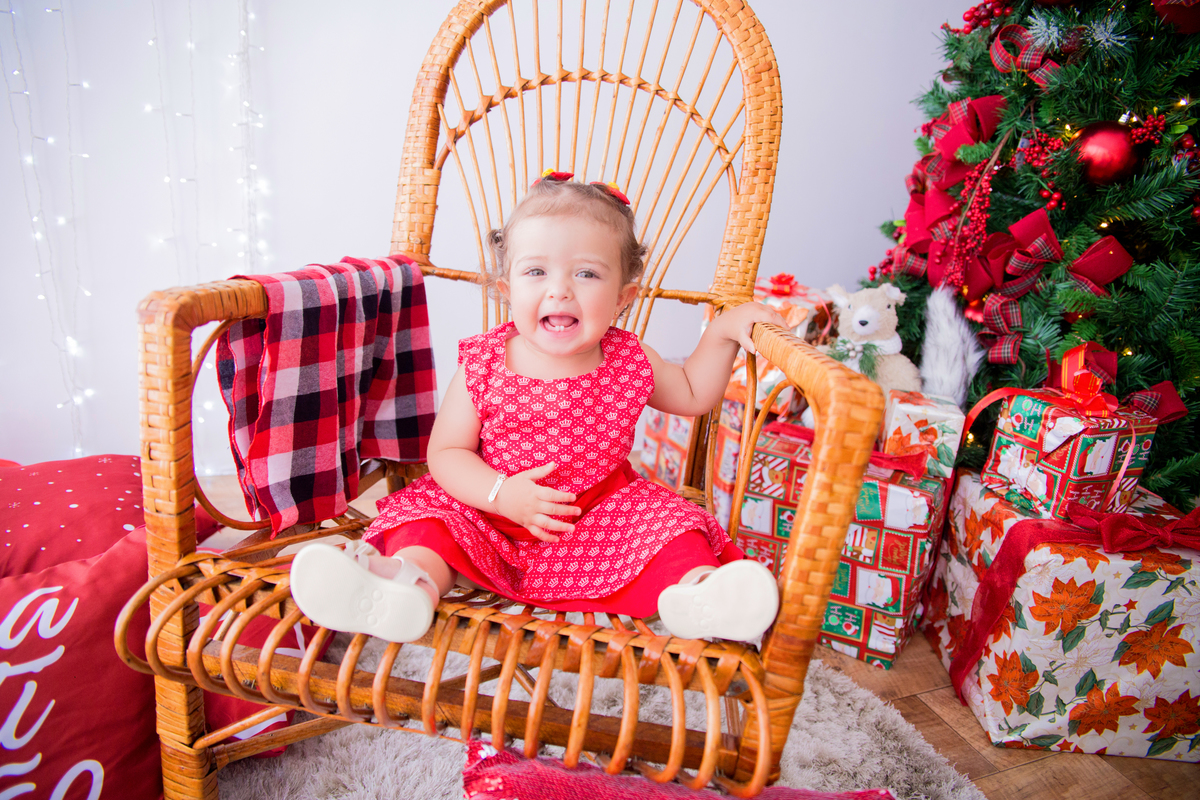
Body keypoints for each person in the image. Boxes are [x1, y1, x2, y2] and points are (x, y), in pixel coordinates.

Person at [291, 172, 785, 644]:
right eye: (536, 271)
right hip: (484, 512)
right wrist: (500, 494)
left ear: (623, 298)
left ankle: (700, 593)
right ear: (507, 291)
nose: (560, 289)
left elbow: (695, 394)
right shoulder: (485, 361)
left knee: (671, 525)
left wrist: (722, 331)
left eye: (587, 273)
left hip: (597, 518)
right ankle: (404, 584)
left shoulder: (630, 358)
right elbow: (445, 453)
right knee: (427, 525)